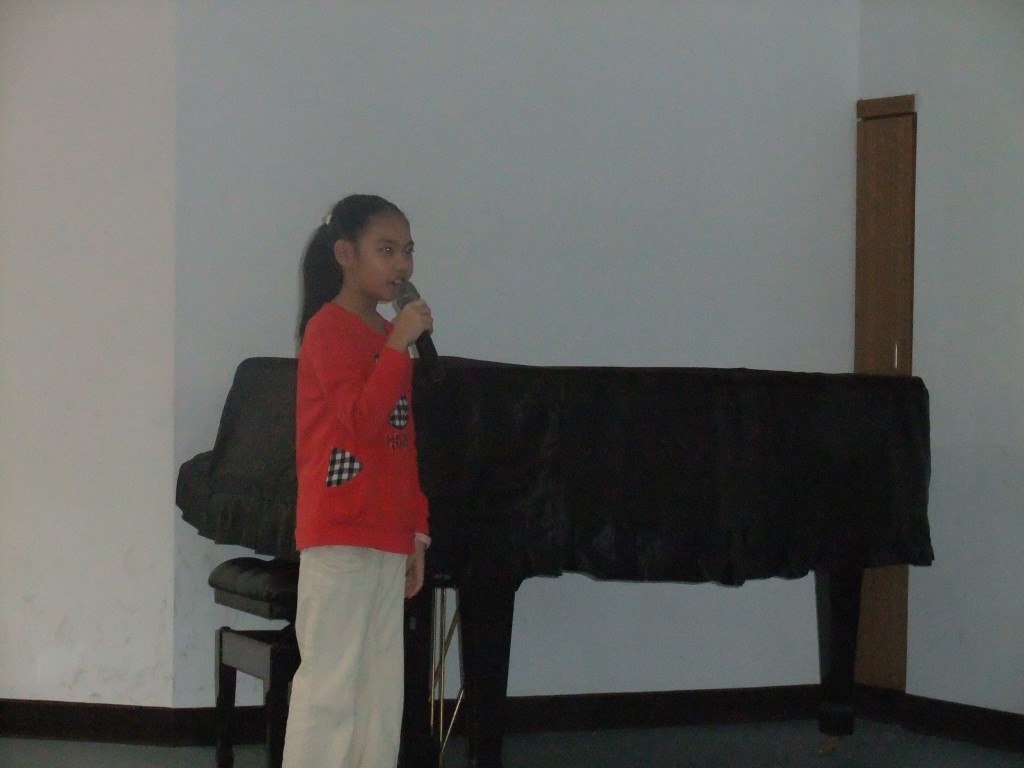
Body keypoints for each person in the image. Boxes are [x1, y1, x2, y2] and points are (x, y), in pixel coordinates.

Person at [282, 194, 433, 768]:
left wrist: (416, 531)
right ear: (345, 254)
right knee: (331, 687)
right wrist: (397, 346)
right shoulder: (329, 330)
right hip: (341, 530)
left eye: (408, 251)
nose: (403, 265)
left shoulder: (388, 337)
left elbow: (402, 445)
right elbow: (363, 423)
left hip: (387, 533)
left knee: (378, 692)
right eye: (386, 250)